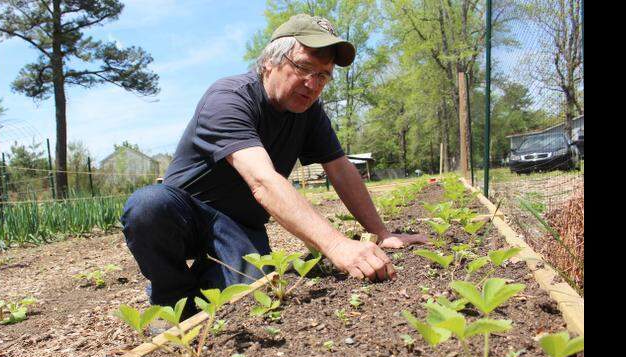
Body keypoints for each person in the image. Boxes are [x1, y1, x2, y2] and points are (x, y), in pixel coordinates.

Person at [120, 14, 426, 318]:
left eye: (323, 75)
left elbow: (340, 168)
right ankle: (170, 299)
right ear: (268, 62)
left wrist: (380, 231)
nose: (313, 83)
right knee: (147, 205)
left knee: (251, 298)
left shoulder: (309, 113)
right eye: (304, 67)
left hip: (238, 223)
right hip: (184, 215)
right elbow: (263, 181)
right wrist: (337, 246)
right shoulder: (228, 98)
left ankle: (210, 275)